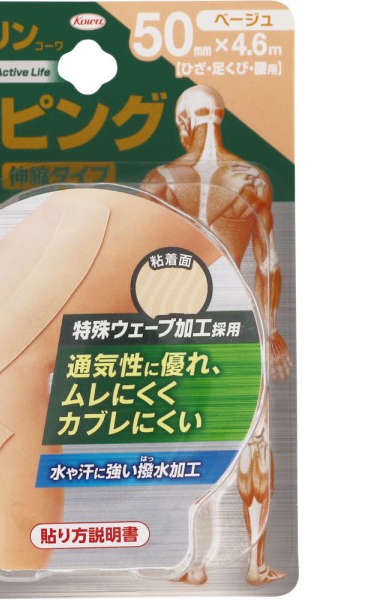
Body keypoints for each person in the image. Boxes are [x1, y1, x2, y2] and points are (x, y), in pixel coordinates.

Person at [142, 85, 292, 585]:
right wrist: (271, 330)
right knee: (253, 436)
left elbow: (140, 259)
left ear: (183, 122)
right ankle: (253, 563)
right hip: (237, 316)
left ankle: (194, 562)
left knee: (187, 433)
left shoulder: (161, 180)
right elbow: (267, 262)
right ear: (221, 117)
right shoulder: (252, 179)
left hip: (177, 317)